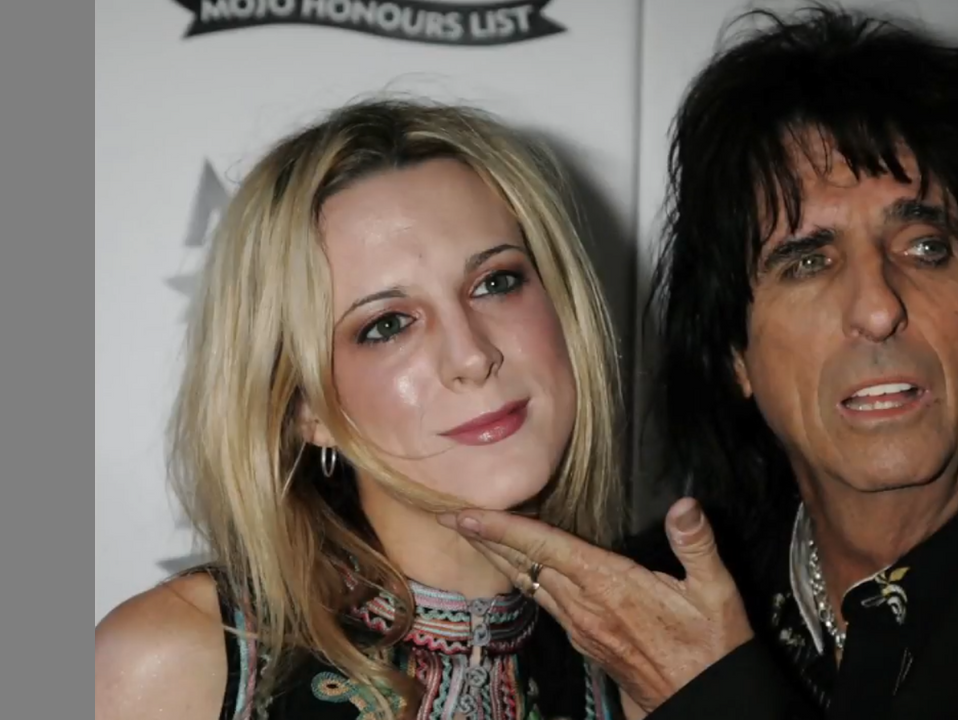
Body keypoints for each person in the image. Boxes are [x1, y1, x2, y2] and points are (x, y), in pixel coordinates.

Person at [438, 7, 958, 720]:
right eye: (807, 262)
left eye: (926, 248)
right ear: (736, 354)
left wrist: (712, 700)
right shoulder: (639, 613)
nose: (877, 309)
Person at [94, 98, 627, 720]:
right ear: (305, 407)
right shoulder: (173, 660)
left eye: (496, 282)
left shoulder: (639, 667)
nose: (472, 356)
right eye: (388, 324)